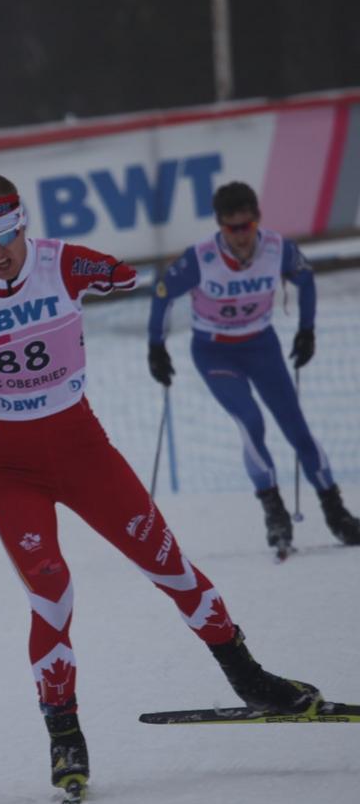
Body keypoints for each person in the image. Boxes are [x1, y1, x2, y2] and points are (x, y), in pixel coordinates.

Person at [0, 173, 320, 797]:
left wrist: (100, 271)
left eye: (7, 236)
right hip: (10, 469)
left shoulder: (57, 263)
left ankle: (249, 677)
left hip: (84, 452)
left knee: (169, 565)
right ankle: (65, 734)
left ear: (23, 224)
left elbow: (122, 274)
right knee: (51, 589)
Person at [147, 180, 360, 553]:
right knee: (251, 420)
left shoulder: (277, 249)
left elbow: (306, 280)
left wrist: (306, 331)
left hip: (262, 347)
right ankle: (274, 511)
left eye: (247, 226)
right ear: (220, 226)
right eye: (232, 228)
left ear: (257, 220)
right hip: (215, 353)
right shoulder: (202, 258)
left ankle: (336, 513)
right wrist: (156, 347)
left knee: (298, 431)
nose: (242, 237)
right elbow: (163, 292)